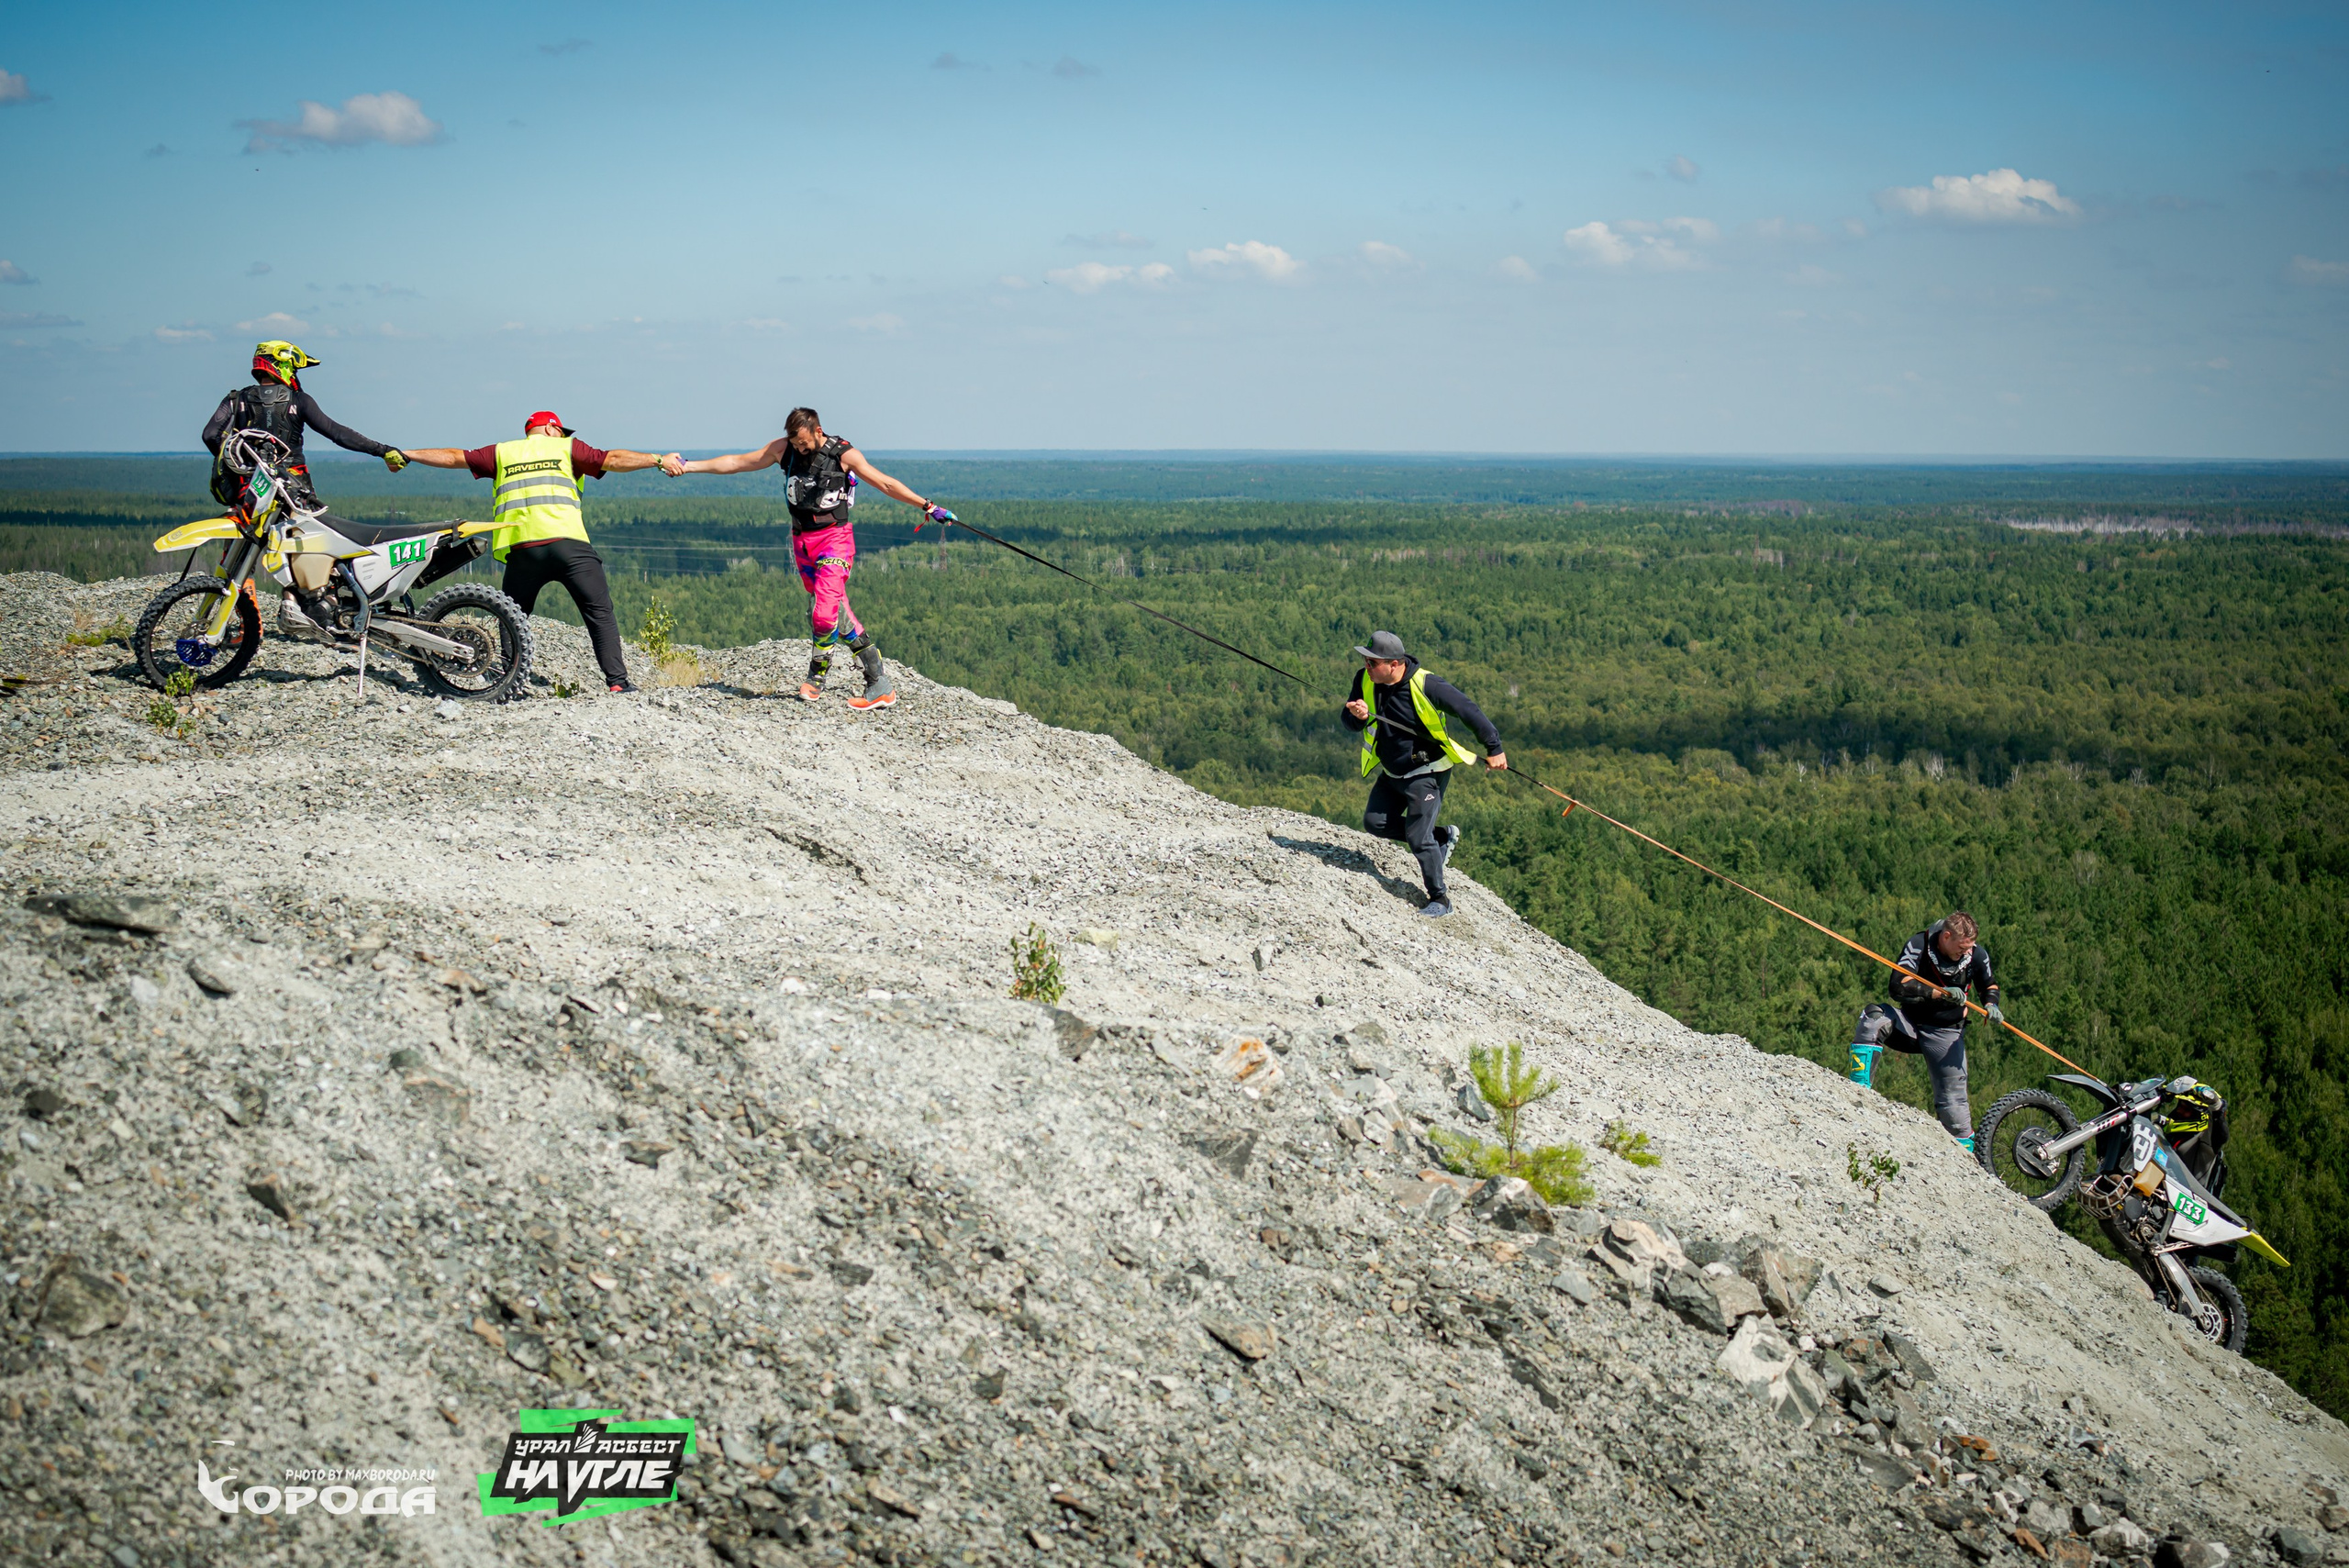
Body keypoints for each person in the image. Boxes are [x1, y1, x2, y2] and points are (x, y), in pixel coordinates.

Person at [659, 407, 954, 708]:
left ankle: (816, 678)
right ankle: (879, 682)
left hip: (835, 541)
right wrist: (690, 466)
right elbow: (737, 463)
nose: (800, 448)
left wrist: (928, 507)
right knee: (836, 610)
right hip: (802, 542)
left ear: (818, 431)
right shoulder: (783, 450)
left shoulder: (843, 454)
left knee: (823, 613)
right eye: (795, 443)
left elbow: (885, 483)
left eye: (804, 442)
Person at [403, 412, 667, 694]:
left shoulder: (502, 453)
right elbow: (613, 460)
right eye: (561, 431)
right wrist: (658, 460)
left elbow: (453, 457)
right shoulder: (568, 448)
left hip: (523, 551)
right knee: (599, 613)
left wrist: (408, 454)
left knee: (511, 615)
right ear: (551, 428)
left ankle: (506, 681)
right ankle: (618, 683)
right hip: (569, 546)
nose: (563, 435)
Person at [201, 339, 410, 638]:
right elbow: (337, 433)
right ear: (285, 365)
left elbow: (211, 435)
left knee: (239, 555)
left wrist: (244, 460)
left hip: (253, 492)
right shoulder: (299, 400)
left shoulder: (236, 400)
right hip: (295, 490)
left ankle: (249, 626)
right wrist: (382, 450)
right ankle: (326, 609)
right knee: (313, 549)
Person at [1340, 630, 1507, 918]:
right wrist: (1358, 717)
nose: (1366, 666)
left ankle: (1440, 899)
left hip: (1427, 771)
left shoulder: (1427, 683)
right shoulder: (1364, 679)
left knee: (1418, 836)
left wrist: (1494, 747)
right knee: (1374, 823)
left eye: (1372, 662)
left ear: (1394, 664)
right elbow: (1349, 720)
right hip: (1393, 771)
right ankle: (1441, 837)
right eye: (1365, 660)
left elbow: (1466, 709)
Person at [1848, 911, 2002, 1150]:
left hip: (1946, 1034)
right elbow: (1898, 985)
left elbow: (1989, 986)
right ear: (1946, 936)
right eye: (1962, 948)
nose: (1966, 953)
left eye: (1969, 948)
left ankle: (1966, 1160)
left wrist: (1991, 1005)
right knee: (1873, 1018)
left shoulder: (1976, 954)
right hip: (1909, 1023)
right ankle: (1857, 1093)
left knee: (1956, 1114)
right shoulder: (1919, 944)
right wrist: (1939, 993)